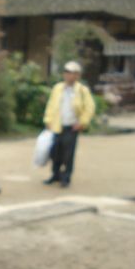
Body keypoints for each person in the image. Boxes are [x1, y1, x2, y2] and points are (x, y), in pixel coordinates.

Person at [42, 60, 95, 188]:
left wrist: (82, 122)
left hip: (71, 127)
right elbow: (51, 105)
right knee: (55, 152)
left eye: (73, 73)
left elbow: (89, 107)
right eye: (68, 72)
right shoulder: (58, 88)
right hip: (57, 126)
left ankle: (66, 177)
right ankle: (55, 174)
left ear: (78, 76)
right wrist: (48, 120)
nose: (70, 75)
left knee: (68, 154)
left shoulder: (82, 90)